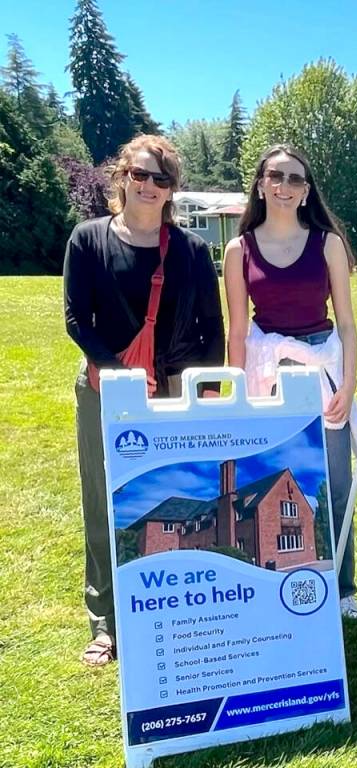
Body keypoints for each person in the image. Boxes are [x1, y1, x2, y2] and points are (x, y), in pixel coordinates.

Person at [64, 135, 225, 666]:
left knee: (173, 502)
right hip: (105, 392)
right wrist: (119, 376)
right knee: (102, 505)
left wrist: (199, 389)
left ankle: (171, 610)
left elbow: (211, 330)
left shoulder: (191, 251)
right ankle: (106, 622)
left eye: (162, 179)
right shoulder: (88, 240)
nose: (150, 186)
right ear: (122, 177)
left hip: (174, 393)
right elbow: (76, 321)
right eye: (141, 175)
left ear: (173, 189)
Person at [223, 144, 357, 619]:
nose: (284, 187)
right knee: (274, 479)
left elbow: (346, 323)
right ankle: (278, 579)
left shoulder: (328, 243)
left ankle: (343, 589)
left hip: (322, 368)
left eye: (295, 179)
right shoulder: (238, 250)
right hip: (266, 372)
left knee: (335, 483)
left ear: (307, 192)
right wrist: (236, 393)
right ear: (261, 184)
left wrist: (349, 383)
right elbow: (238, 329)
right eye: (276, 177)